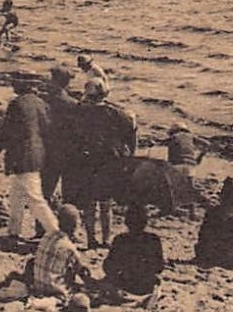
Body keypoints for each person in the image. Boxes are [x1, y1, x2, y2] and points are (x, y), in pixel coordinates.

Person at [0, 77, 58, 244]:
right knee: (17, 195)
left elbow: (5, 133)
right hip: (37, 154)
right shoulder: (41, 104)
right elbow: (48, 130)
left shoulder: (16, 104)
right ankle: (13, 231)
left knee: (35, 198)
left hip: (21, 156)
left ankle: (55, 232)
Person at [80, 78, 138, 247]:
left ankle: (91, 239)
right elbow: (131, 127)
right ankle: (105, 239)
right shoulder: (115, 113)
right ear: (104, 94)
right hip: (109, 162)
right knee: (106, 204)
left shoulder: (81, 112)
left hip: (88, 161)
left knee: (89, 204)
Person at [41, 65, 88, 209]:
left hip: (48, 151)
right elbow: (80, 132)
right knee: (69, 194)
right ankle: (67, 225)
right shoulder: (73, 104)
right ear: (67, 83)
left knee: (45, 192)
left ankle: (40, 227)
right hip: (68, 154)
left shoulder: (43, 100)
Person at [97, 203, 165, 299]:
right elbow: (159, 267)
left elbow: (108, 266)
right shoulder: (153, 240)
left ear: (126, 222)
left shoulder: (120, 239)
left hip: (124, 282)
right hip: (146, 284)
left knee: (106, 283)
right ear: (146, 222)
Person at [27, 204, 92, 299]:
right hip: (55, 291)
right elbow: (81, 270)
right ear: (74, 226)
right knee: (73, 268)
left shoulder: (47, 235)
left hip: (37, 286)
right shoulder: (69, 247)